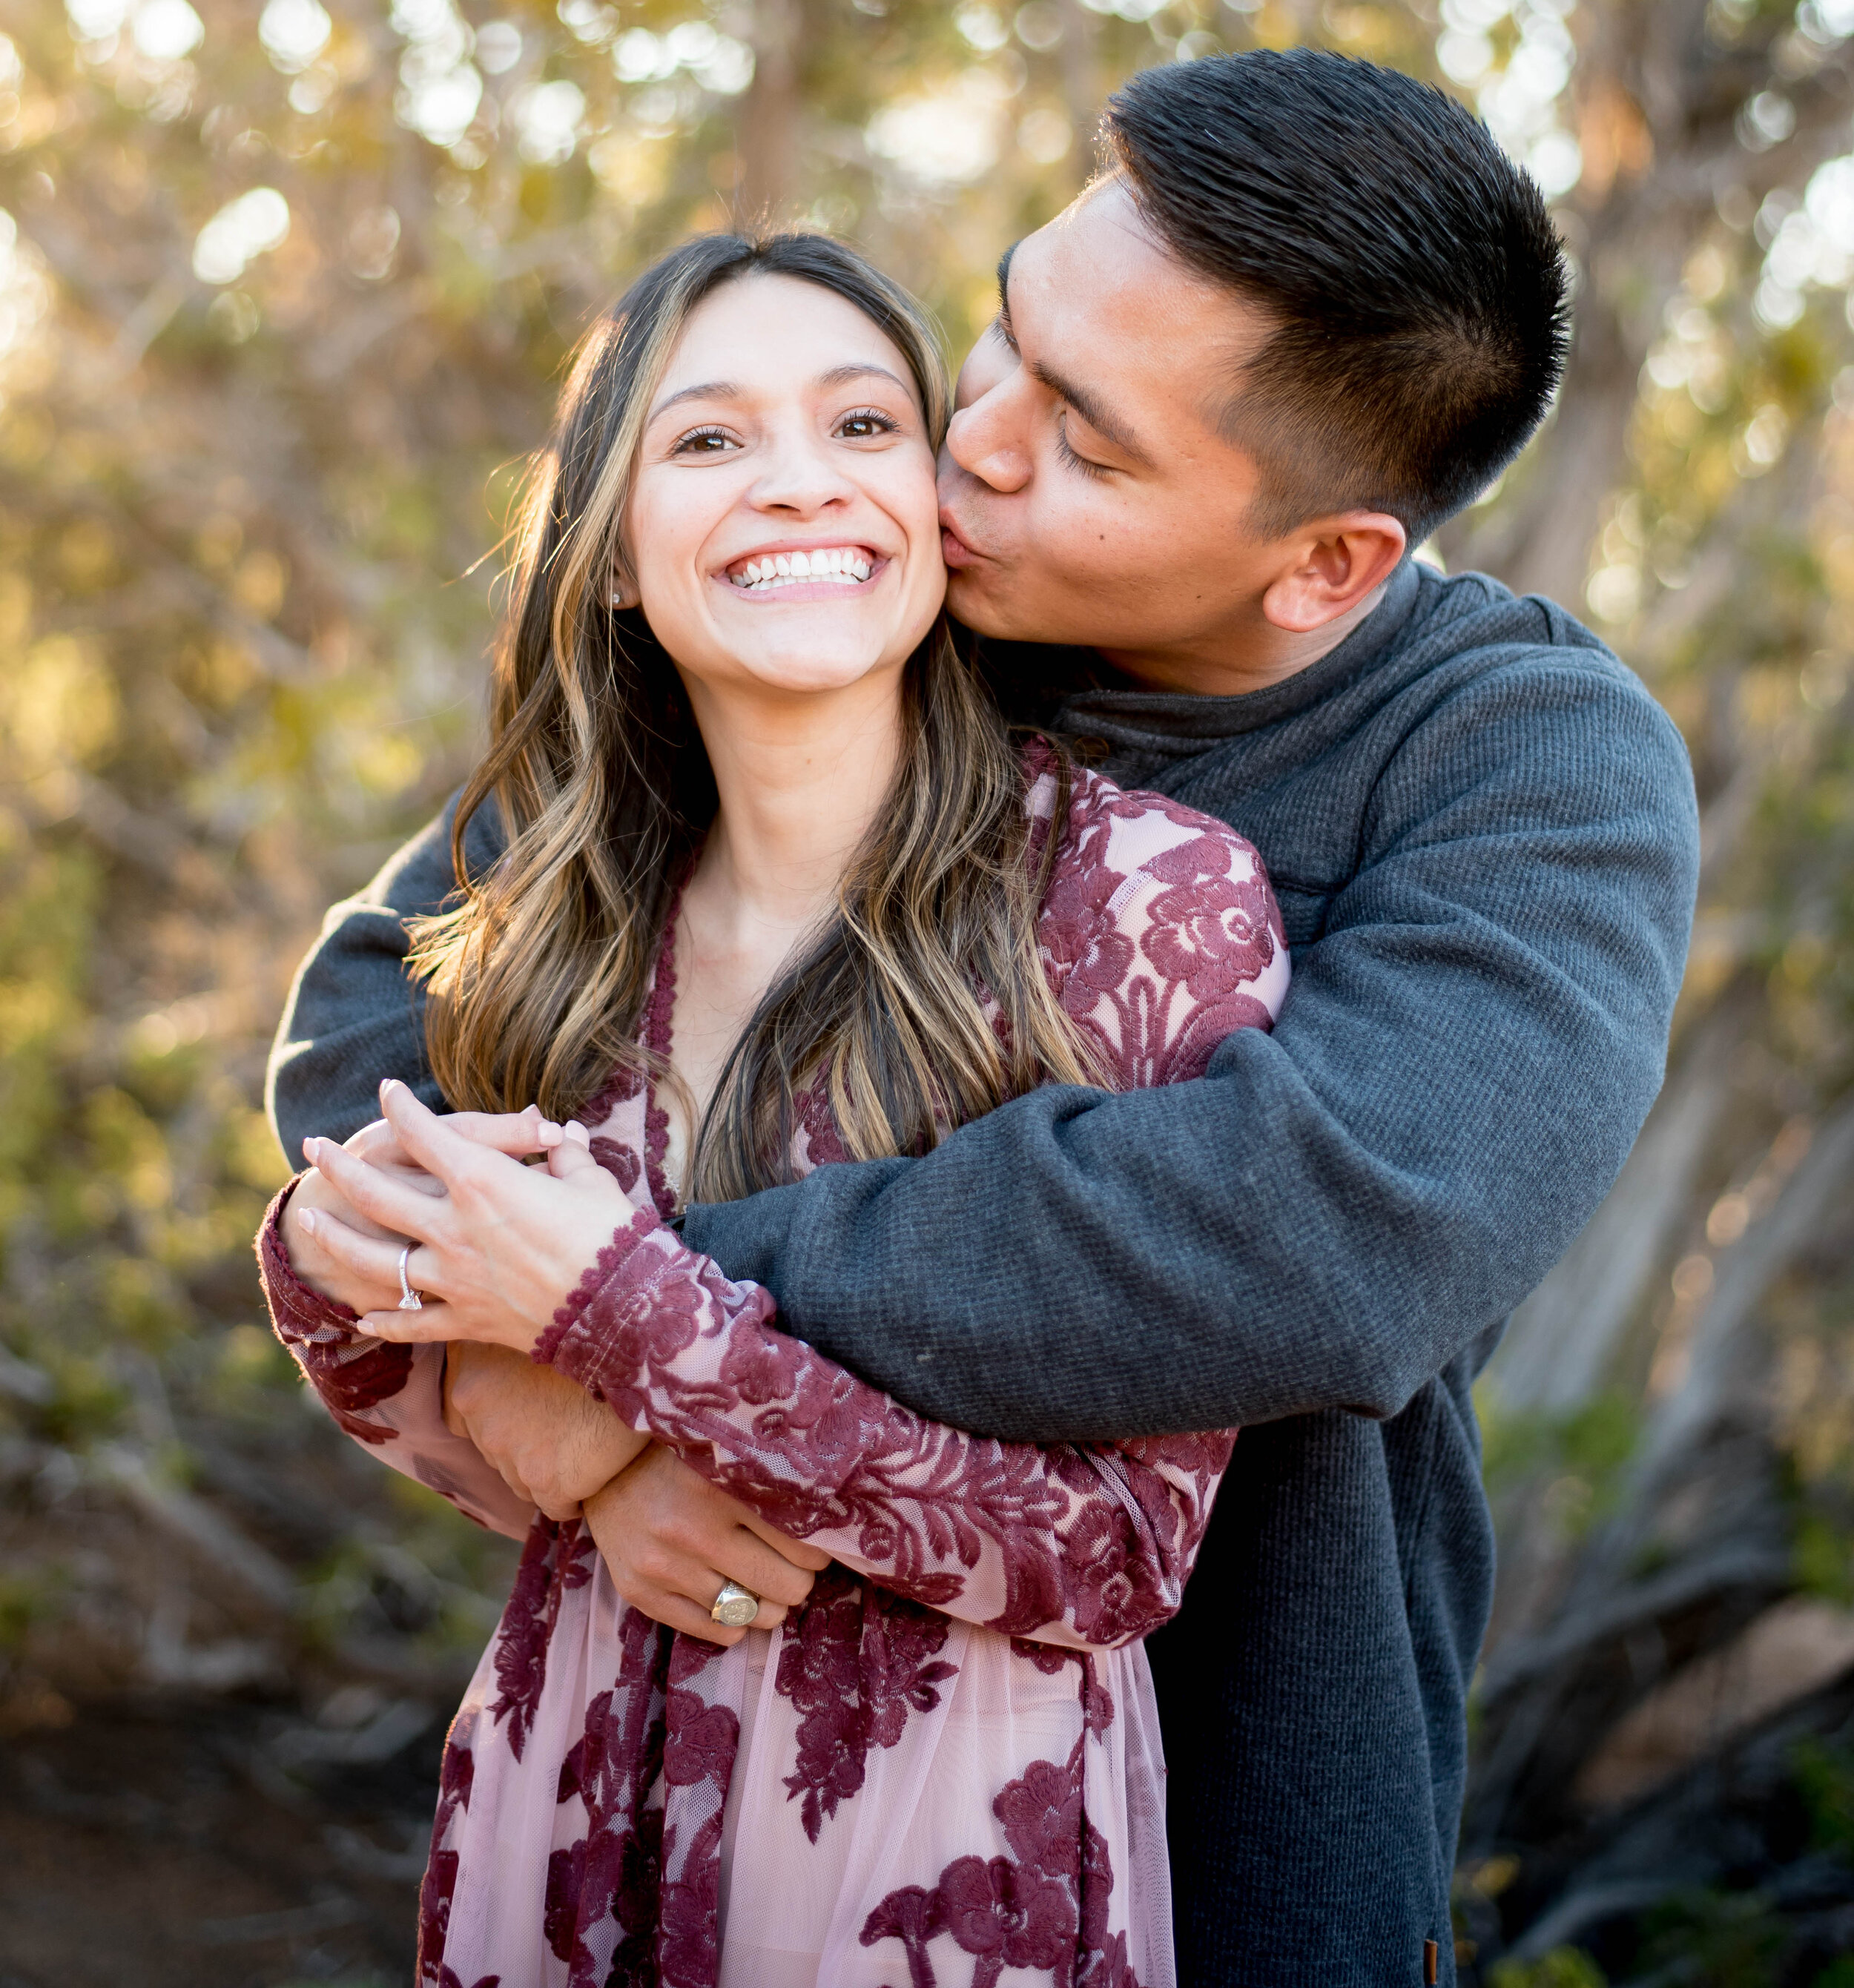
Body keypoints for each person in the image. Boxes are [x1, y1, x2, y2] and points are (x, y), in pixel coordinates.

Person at [269, 49, 1700, 1987]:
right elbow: (396, 988)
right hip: (672, 1778)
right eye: (1004, 333)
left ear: (1326, 561)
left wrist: (610, 1308)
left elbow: (1332, 1230)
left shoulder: (1515, 757)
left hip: (1212, 1825)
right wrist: (543, 1403)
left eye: (1085, 443)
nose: (974, 448)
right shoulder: (878, 589)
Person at [258, 229, 1290, 1988]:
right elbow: (390, 1340)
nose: (796, 481)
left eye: (863, 423)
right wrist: (396, 1302)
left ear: (936, 506)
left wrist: (620, 1345)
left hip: (938, 1865)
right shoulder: (550, 928)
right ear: (607, 554)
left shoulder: (1132, 905)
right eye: (708, 439)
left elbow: (1111, 1551)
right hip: (566, 1799)